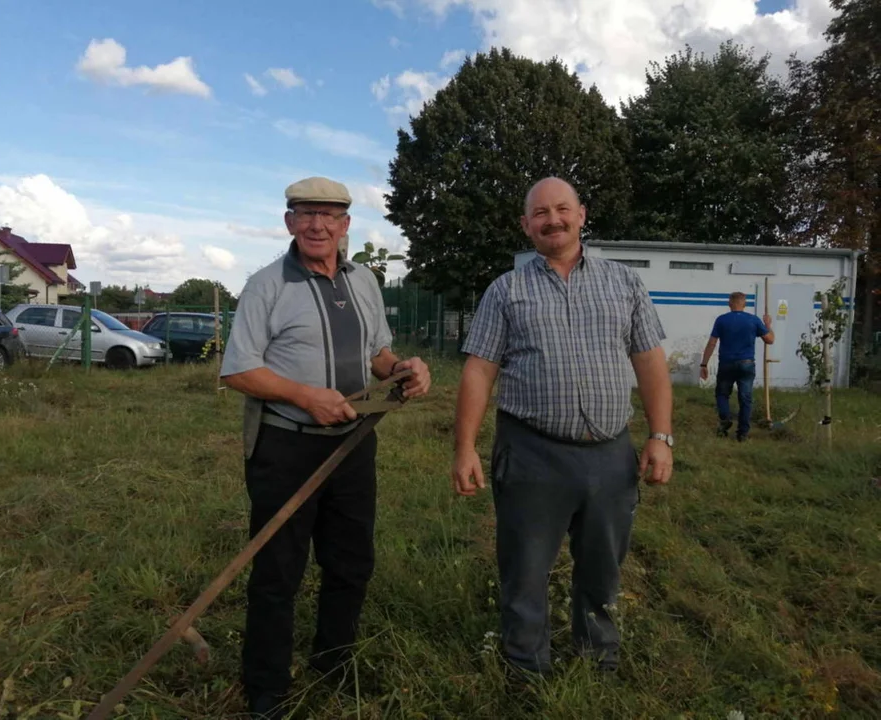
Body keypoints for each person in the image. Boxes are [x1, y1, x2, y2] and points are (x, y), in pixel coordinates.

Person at [220, 176, 431, 718]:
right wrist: (304, 396)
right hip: (286, 447)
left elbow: (377, 353)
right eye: (305, 214)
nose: (318, 225)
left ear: (346, 226)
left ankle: (334, 662)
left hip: (354, 445)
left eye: (329, 215)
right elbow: (239, 370)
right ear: (289, 222)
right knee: (277, 572)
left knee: (351, 561)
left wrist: (402, 369)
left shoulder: (364, 283)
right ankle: (265, 686)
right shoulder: (267, 286)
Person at [450, 177, 674, 676]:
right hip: (531, 453)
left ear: (582, 214)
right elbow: (479, 369)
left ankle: (599, 663)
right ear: (526, 224)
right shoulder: (506, 290)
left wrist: (661, 436)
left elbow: (650, 362)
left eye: (562, 209)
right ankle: (526, 669)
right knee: (525, 571)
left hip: (610, 455)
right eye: (541, 213)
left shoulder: (624, 282)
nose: (553, 219)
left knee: (602, 568)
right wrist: (464, 447)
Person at [699, 292, 774, 441]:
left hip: (726, 364)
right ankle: (743, 433)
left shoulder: (721, 320)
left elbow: (712, 343)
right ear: (744, 304)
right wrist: (768, 325)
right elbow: (770, 340)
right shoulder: (753, 320)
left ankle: (725, 418)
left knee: (722, 394)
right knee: (745, 399)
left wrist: (704, 363)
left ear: (729, 303)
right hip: (747, 364)